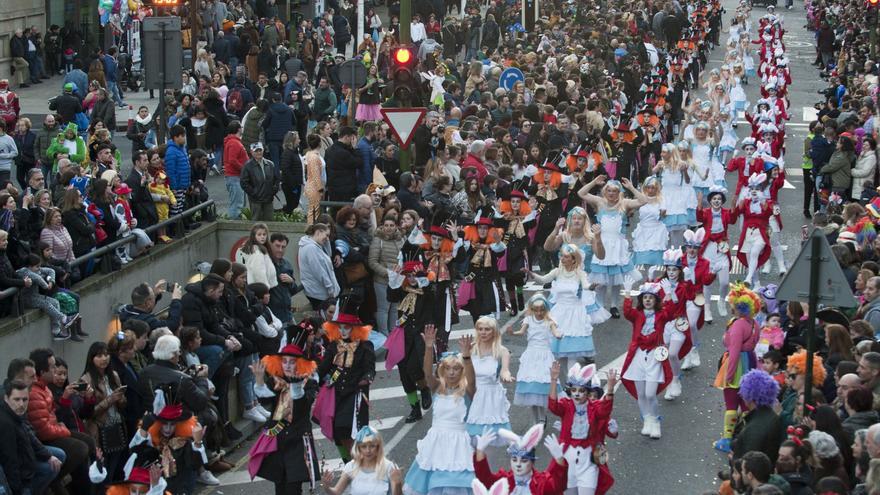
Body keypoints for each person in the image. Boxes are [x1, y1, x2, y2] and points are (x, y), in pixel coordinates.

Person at [402, 325, 476, 494]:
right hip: (435, 443)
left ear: (461, 372)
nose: (451, 373)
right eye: (448, 369)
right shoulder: (437, 388)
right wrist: (429, 348)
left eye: (456, 369)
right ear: (442, 370)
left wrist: (466, 357)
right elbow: (427, 374)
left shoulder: (467, 392)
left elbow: (472, 381)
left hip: (459, 444)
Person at [249, 340, 321, 495]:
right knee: (280, 487)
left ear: (300, 364)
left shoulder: (310, 384)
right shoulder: (275, 382)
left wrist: (296, 387)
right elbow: (265, 400)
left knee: (293, 488)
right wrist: (259, 380)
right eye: (284, 362)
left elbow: (302, 408)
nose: (287, 365)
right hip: (278, 439)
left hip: (298, 440)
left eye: (292, 362)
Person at [314, 302, 375, 463]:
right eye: (340, 327)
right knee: (337, 430)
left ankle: (362, 461)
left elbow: (370, 368)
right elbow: (324, 367)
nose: (342, 331)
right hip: (336, 393)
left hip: (356, 393)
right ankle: (349, 462)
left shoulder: (365, 346)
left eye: (346, 327)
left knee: (349, 428)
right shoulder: (334, 346)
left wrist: (367, 378)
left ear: (355, 328)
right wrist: (311, 378)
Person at [548, 362, 617, 494]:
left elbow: (605, 411)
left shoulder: (594, 406)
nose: (577, 394)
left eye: (581, 391)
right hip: (568, 459)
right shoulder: (566, 405)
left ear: (588, 392)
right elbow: (553, 406)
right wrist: (553, 380)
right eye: (574, 390)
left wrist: (610, 389)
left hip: (588, 459)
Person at [714, 283, 762, 453]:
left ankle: (727, 439)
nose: (730, 306)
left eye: (732, 303)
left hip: (738, 364)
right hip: (750, 361)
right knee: (746, 402)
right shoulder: (754, 323)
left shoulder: (738, 325)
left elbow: (733, 351)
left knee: (731, 402)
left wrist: (729, 374)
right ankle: (745, 435)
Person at [0, 379, 64, 495]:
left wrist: (48, 456)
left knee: (57, 458)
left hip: (26, 467)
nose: (21, 404)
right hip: (20, 479)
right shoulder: (6, 424)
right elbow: (10, 460)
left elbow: (30, 438)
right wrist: (18, 489)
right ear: (6, 399)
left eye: (25, 400)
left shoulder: (16, 414)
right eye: (16, 399)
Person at [473, 423, 568, 494]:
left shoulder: (541, 483)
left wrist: (559, 459)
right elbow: (486, 479)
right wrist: (480, 451)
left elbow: (559, 486)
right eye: (514, 460)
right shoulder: (505, 480)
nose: (518, 464)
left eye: (524, 460)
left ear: (532, 462)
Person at [320, 426, 403, 495]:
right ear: (358, 448)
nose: (368, 450)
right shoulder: (351, 466)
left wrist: (398, 484)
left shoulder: (388, 467)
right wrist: (326, 486)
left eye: (372, 446)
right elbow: (336, 492)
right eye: (364, 446)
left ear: (378, 447)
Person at [731, 370, 783, 463]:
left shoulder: (755, 427)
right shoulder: (770, 415)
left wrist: (733, 460)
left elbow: (748, 462)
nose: (741, 395)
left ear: (750, 395)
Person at [297, 223, 339, 309]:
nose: (327, 239)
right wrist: (330, 289)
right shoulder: (311, 248)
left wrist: (326, 242)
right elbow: (319, 271)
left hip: (319, 292)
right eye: (326, 235)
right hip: (319, 293)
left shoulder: (313, 246)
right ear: (318, 232)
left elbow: (329, 254)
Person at [118, 280, 183, 332]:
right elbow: (172, 325)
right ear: (148, 303)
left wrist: (155, 295)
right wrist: (176, 300)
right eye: (153, 297)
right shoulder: (147, 322)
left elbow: (145, 309)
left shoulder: (127, 312)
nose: (154, 298)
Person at [240, 142, 281, 221]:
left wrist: (273, 191)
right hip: (255, 200)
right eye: (256, 151)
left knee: (270, 221)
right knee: (256, 222)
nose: (259, 152)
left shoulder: (270, 164)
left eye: (260, 150)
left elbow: (276, 179)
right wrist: (254, 193)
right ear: (251, 152)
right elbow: (243, 183)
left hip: (268, 199)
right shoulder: (247, 166)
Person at [325, 126, 362, 202]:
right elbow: (358, 163)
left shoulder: (329, 150)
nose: (353, 141)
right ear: (346, 137)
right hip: (346, 190)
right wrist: (355, 148)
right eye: (352, 138)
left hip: (333, 188)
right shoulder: (343, 153)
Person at [222, 121, 248, 219]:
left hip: (235, 177)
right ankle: (234, 222)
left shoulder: (232, 141)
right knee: (237, 205)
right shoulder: (234, 143)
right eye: (241, 127)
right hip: (235, 177)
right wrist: (244, 169)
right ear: (238, 129)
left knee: (238, 203)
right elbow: (232, 160)